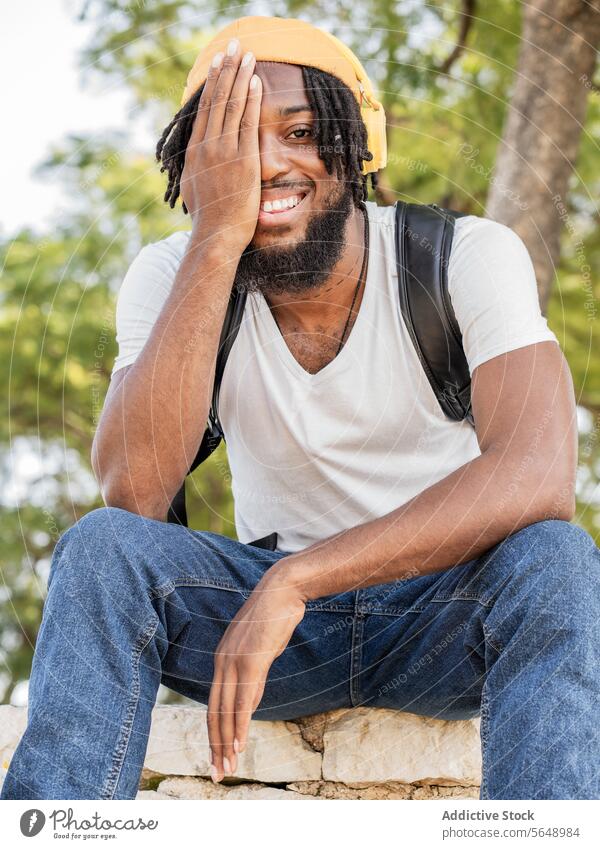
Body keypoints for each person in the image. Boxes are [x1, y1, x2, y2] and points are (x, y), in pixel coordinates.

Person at [2, 15, 599, 802]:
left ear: (357, 148)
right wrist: (217, 238)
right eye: (235, 140)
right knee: (102, 548)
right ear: (196, 166)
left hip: (446, 619)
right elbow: (137, 496)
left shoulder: (465, 257)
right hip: (271, 641)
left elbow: (537, 474)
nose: (269, 161)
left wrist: (299, 582)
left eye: (301, 131)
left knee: (554, 559)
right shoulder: (171, 276)